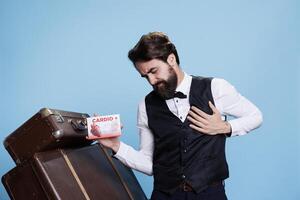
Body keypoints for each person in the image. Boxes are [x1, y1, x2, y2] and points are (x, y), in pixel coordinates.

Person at [96, 32, 263, 200]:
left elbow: (255, 116)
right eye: (145, 76)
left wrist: (225, 127)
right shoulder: (145, 106)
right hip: (164, 195)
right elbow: (149, 164)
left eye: (154, 71)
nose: (152, 81)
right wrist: (116, 146)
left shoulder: (215, 88)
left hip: (210, 194)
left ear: (171, 59)